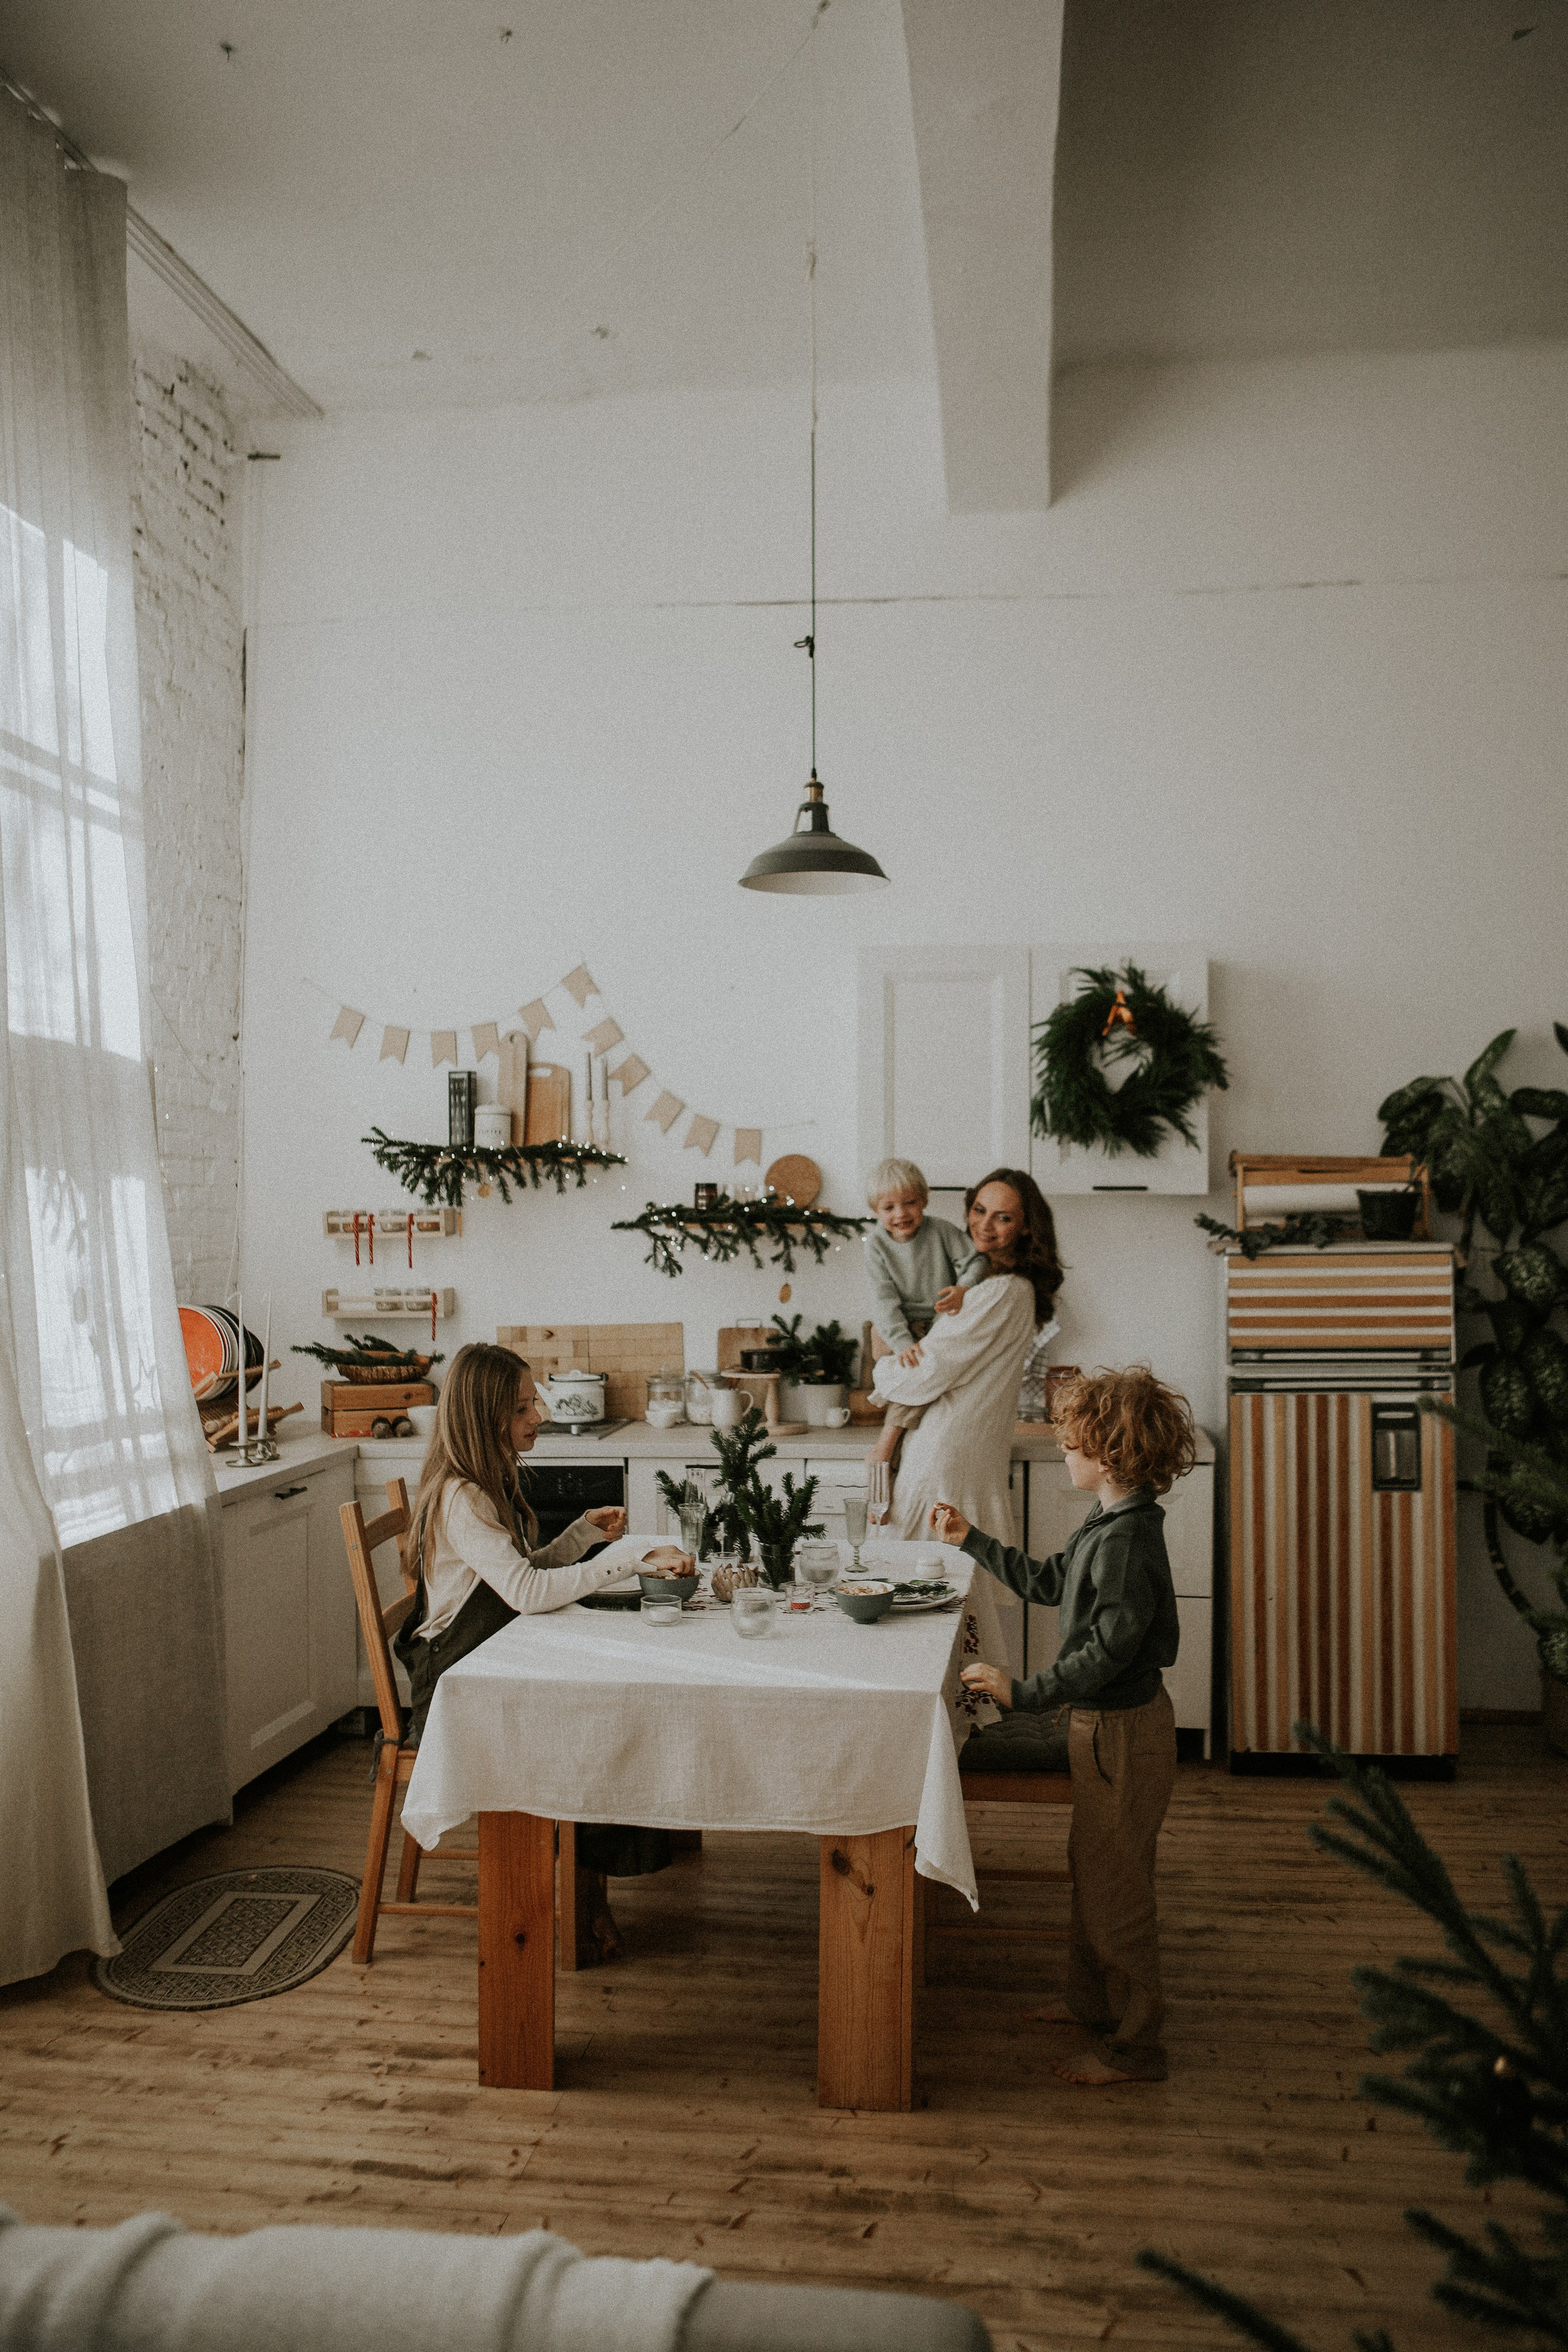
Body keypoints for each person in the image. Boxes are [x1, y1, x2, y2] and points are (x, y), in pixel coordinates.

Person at [932, 1365, 1197, 2087]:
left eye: (1073, 1445)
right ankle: (1089, 2005)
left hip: (1121, 1735)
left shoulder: (1124, 1542)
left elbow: (1106, 1655)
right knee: (1094, 1874)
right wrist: (971, 1540)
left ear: (1108, 1456)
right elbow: (1049, 1582)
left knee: (1118, 1896)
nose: (1064, 1455)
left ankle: (1136, 2048)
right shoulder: (1110, 1521)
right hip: (1103, 1729)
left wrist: (1025, 1694)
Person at [394, 1341, 671, 1961]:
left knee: (606, 1711)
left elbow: (516, 1574)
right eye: (523, 1407)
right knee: (591, 1728)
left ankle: (587, 1878)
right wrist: (625, 1560)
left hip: (491, 1657)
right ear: (486, 1416)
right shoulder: (461, 1498)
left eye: (535, 1402)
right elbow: (524, 1593)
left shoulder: (486, 1481)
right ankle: (582, 1890)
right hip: (454, 1685)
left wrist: (580, 1536)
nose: (539, 1415)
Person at [869, 1169, 1061, 1542]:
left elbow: (921, 1374)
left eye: (1003, 1218)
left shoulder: (1002, 1291)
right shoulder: (982, 1285)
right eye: (979, 1210)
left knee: (930, 1584)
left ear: (1026, 1227)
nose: (984, 1226)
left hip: (945, 1456)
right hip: (955, 1453)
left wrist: (881, 1358)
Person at [862, 1156, 987, 1496]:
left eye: (910, 1203)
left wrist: (963, 1288)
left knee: (919, 1385)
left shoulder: (942, 1231)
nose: (900, 1214)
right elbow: (883, 1301)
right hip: (900, 1327)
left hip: (941, 1321)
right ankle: (885, 1460)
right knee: (916, 1376)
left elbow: (974, 1260)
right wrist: (902, 1342)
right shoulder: (876, 1246)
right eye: (889, 1207)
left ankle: (884, 1460)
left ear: (925, 1201)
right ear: (876, 1210)